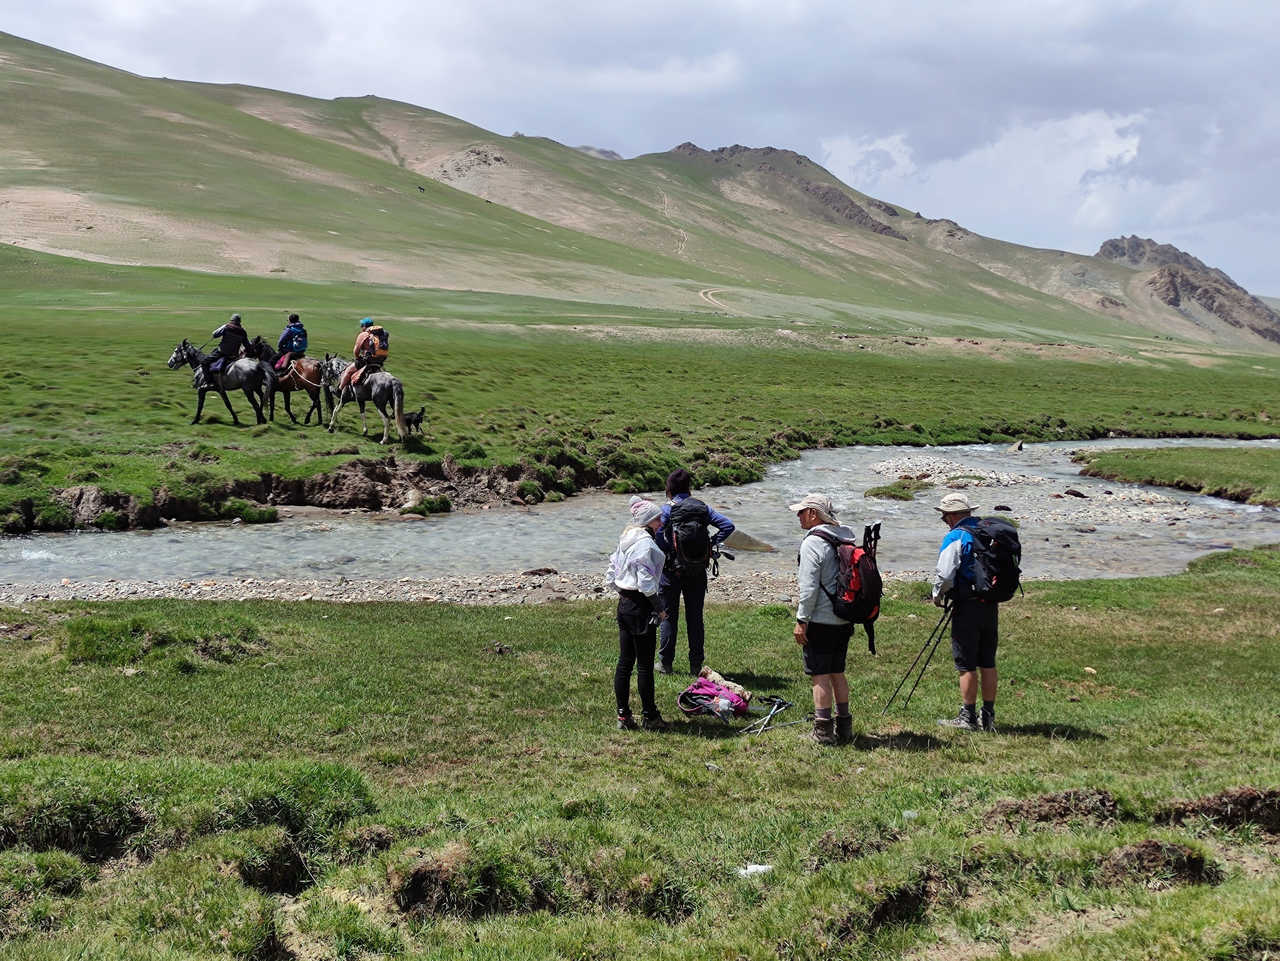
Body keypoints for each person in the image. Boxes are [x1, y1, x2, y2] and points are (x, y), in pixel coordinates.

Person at [791, 493, 857, 746]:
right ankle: (845, 728)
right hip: (844, 617)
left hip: (820, 619)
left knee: (819, 675)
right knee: (837, 672)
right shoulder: (843, 537)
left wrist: (802, 620)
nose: (798, 516)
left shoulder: (812, 543)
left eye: (801, 511)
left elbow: (808, 588)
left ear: (813, 514)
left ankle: (823, 731)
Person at [656, 468, 735, 676]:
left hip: (671, 571)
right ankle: (696, 665)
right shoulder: (702, 508)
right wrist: (710, 544)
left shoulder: (667, 510)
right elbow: (728, 526)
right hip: (697, 571)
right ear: (689, 488)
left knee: (668, 617)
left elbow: (658, 536)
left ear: (669, 489)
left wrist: (667, 551)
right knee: (695, 618)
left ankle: (665, 664)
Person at [931, 492, 998, 732]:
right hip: (989, 602)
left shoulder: (956, 536)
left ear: (953, 515)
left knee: (966, 663)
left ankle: (968, 717)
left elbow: (945, 573)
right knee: (987, 661)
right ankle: (988, 716)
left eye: (944, 516)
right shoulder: (987, 531)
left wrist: (937, 595)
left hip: (967, 605)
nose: (944, 521)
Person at [605, 495, 671, 731]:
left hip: (625, 603)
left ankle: (623, 716)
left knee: (624, 662)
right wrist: (659, 608)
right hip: (641, 606)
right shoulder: (645, 544)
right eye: (657, 519)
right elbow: (645, 582)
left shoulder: (626, 538)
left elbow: (611, 574)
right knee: (644, 665)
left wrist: (624, 592)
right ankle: (650, 716)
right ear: (647, 521)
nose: (661, 523)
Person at [337, 317, 389, 393]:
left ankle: (339, 390)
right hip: (381, 360)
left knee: (348, 371)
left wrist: (358, 358)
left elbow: (356, 351)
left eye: (362, 325)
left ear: (364, 326)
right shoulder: (381, 334)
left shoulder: (364, 334)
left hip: (369, 360)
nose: (361, 327)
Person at [202, 313, 250, 381]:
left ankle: (208, 381)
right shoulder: (243, 332)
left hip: (222, 352)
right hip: (234, 355)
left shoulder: (227, 327)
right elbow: (247, 345)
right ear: (239, 322)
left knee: (204, 362)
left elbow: (215, 334)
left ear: (232, 320)